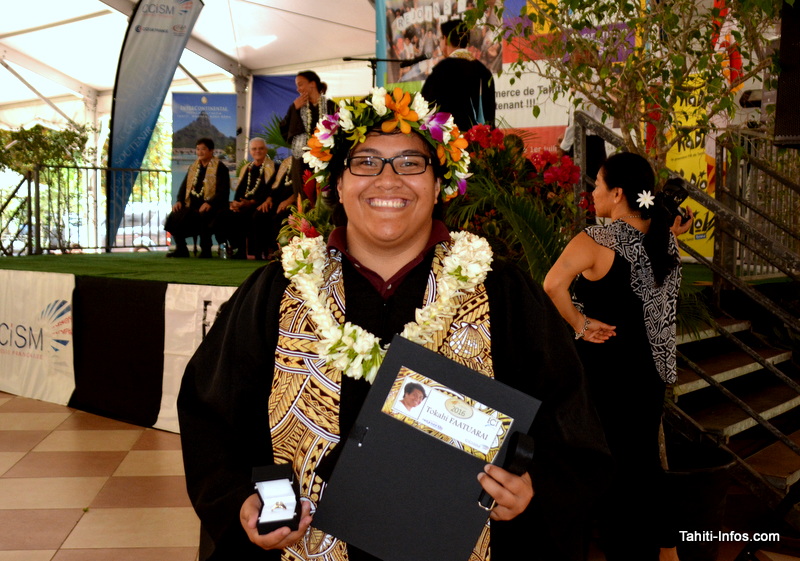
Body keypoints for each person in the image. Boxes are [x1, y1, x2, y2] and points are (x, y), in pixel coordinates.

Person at [178, 87, 610, 561]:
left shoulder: (501, 292)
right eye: (365, 162)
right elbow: (212, 416)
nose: (388, 180)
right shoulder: (278, 290)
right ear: (337, 185)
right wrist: (239, 499)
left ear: (440, 185)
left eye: (410, 163)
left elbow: (569, 427)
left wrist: (533, 488)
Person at [543, 152, 692, 561]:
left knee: (604, 461)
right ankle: (665, 550)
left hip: (604, 368)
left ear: (618, 193)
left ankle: (620, 546)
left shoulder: (596, 239)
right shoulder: (665, 238)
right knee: (642, 460)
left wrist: (579, 323)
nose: (593, 192)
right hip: (649, 371)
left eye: (598, 185)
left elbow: (553, 284)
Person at [421, 19, 495, 132]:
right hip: (478, 143)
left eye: (441, 38)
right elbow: (489, 113)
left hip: (450, 143)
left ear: (446, 39)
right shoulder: (484, 71)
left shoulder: (442, 69)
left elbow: (426, 106)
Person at [165, 138, 230, 258]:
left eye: (203, 149)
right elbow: (184, 187)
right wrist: (179, 201)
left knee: (204, 216)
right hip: (192, 205)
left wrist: (210, 203)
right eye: (198, 149)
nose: (200, 152)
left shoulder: (220, 168)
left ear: (211, 151)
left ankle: (206, 250)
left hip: (213, 206)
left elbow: (223, 191)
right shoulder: (194, 167)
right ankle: (181, 249)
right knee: (174, 216)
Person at [279, 71, 336, 206]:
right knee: (304, 197)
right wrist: (294, 109)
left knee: (326, 196)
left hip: (326, 157)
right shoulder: (297, 106)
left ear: (312, 84)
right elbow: (285, 130)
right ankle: (306, 226)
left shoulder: (330, 105)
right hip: (302, 159)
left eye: (300, 85)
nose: (298, 89)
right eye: (297, 86)